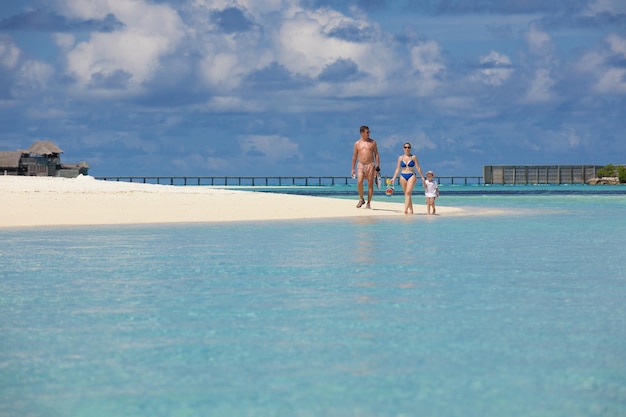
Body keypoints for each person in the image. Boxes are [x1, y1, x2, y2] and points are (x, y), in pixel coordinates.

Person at [390, 142, 425, 214]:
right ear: (403, 148)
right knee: (406, 193)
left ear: (410, 148)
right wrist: (393, 178)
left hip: (411, 175)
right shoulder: (400, 158)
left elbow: (418, 167)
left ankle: (405, 210)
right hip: (402, 176)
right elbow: (397, 169)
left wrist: (422, 177)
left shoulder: (413, 157)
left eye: (408, 147)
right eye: (405, 147)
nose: (407, 149)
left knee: (408, 192)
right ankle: (411, 210)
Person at [351, 126, 380, 209]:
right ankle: (361, 199)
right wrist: (352, 168)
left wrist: (378, 167)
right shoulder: (357, 143)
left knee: (370, 184)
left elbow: (376, 154)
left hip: (370, 165)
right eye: (367, 132)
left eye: (369, 132)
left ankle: (368, 203)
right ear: (362, 133)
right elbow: (354, 156)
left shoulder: (373, 142)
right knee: (359, 182)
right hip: (361, 165)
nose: (368, 133)